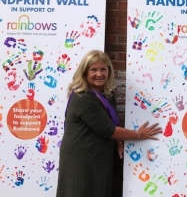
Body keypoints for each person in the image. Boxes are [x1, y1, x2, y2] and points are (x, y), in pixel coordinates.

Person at [56, 50, 162, 197]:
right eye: (93, 70)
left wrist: (119, 142)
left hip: (97, 156)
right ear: (85, 72)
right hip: (80, 158)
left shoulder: (106, 93)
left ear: (109, 71)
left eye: (103, 69)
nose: (99, 74)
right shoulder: (83, 96)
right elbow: (109, 130)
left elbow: (111, 119)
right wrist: (138, 134)